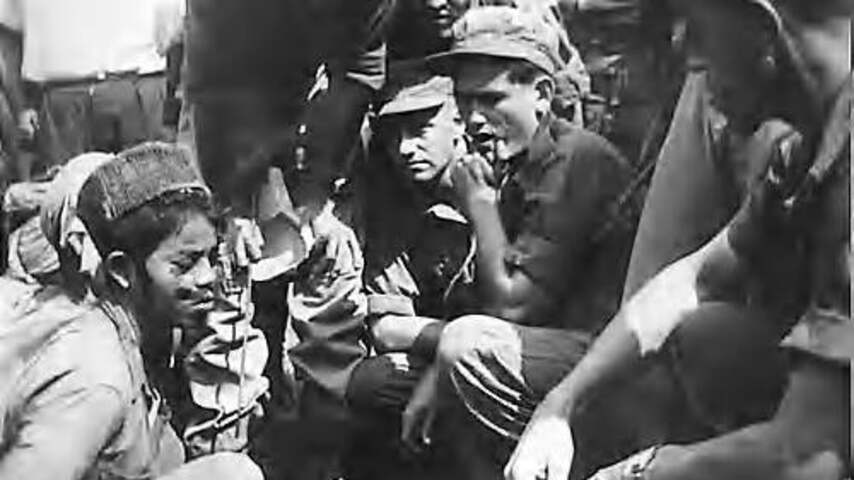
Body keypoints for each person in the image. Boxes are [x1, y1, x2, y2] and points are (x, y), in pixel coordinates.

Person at [505, 0, 852, 478]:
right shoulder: (803, 151)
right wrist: (559, 407)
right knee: (707, 336)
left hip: (820, 444)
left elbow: (811, 456)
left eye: (696, 26)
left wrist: (641, 472)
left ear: (762, 26)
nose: (683, 48)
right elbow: (695, 278)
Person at [402, 6, 637, 477]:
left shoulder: (577, 162)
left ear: (542, 95)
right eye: (465, 101)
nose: (474, 118)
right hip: (553, 353)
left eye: (492, 99)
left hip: (614, 367)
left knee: (466, 347)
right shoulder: (518, 164)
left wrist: (480, 206)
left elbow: (513, 307)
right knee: (384, 383)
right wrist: (434, 377)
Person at [0, 142, 263, 479]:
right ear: (121, 271)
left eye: (210, 258)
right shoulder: (97, 381)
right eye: (185, 264)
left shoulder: (138, 334)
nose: (207, 277)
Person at [342, 61, 474, 479]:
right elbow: (386, 327)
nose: (404, 149)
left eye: (420, 130)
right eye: (394, 135)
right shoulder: (399, 202)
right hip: (452, 356)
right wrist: (456, 345)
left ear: (459, 122)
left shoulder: (501, 183)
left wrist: (461, 346)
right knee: (372, 382)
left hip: (515, 357)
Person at [0, 0, 183, 178]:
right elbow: (8, 36)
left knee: (148, 189)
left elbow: (175, 29)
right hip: (63, 100)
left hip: (134, 89)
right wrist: (20, 106)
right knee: (64, 191)